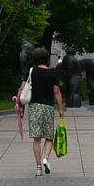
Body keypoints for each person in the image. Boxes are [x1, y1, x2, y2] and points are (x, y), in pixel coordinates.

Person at [26, 47, 65, 176]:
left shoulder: (31, 72)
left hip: (34, 107)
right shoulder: (52, 73)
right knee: (49, 137)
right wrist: (60, 107)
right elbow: (56, 91)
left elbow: (22, 88)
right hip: (48, 107)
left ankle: (38, 167)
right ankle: (46, 159)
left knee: (36, 139)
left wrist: (18, 102)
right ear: (47, 59)